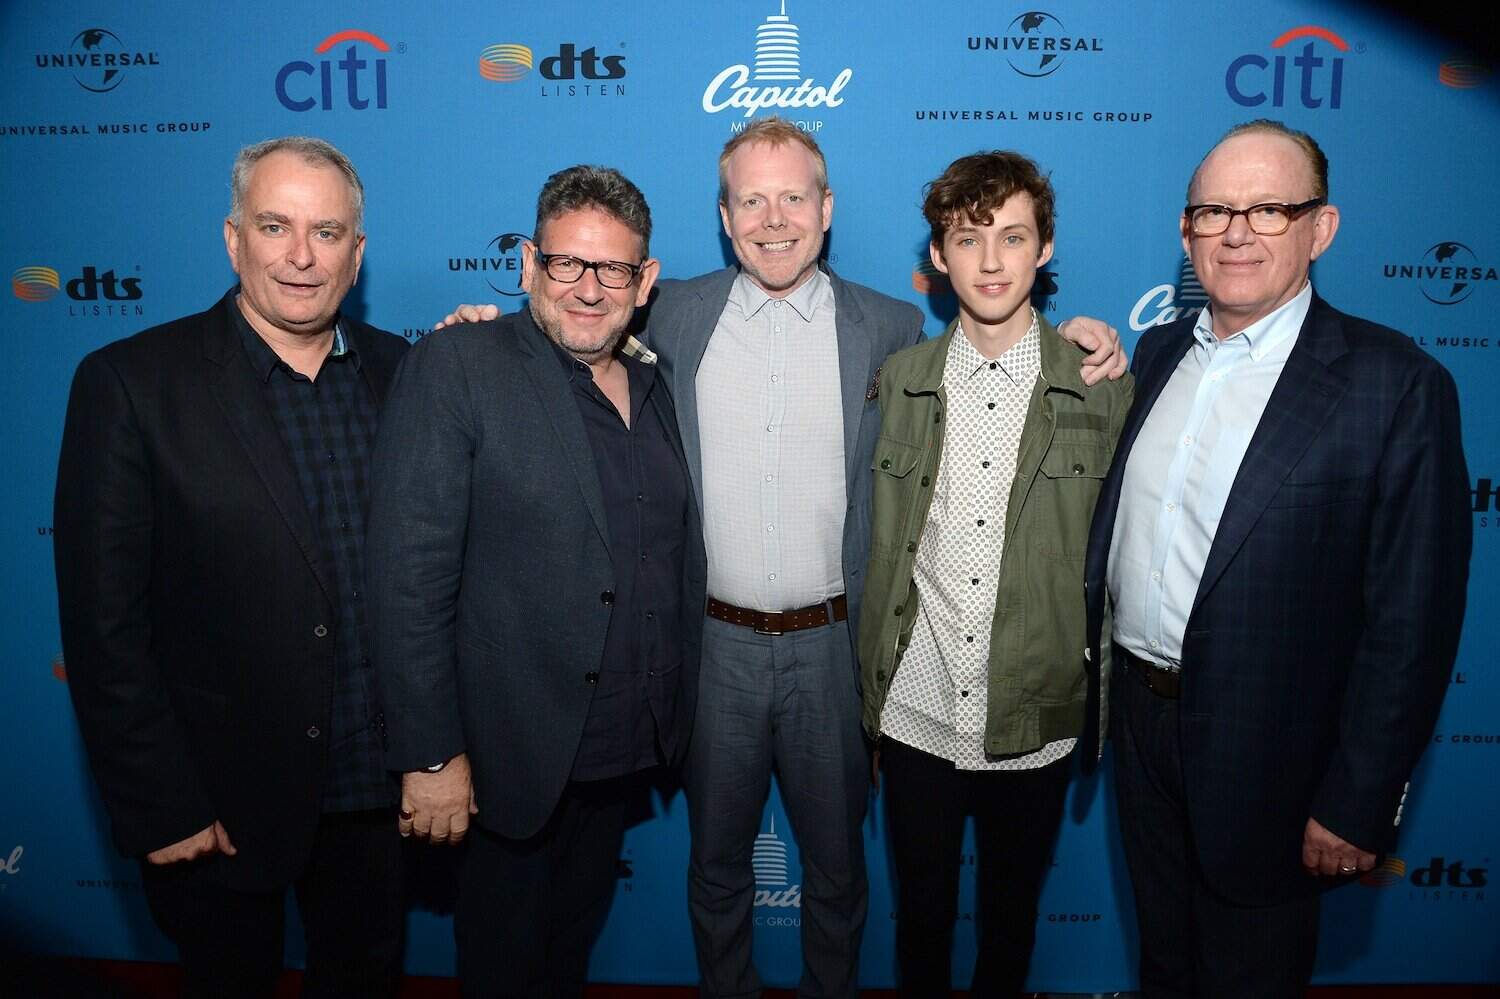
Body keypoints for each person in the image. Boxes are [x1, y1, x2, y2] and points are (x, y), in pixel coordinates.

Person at [438, 117, 1126, 997]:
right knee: (716, 864)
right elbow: (572, 328)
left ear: (826, 208)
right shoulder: (668, 313)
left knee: (839, 869)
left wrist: (1091, 342)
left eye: (793, 197)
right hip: (711, 647)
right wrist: (485, 331)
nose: (774, 219)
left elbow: (1001, 354)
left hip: (835, 648)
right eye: (751, 200)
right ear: (725, 217)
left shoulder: (891, 329)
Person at [1084, 119, 1471, 998]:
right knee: (1166, 962)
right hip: (1141, 725)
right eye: (1214, 211)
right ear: (1186, 231)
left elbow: (1412, 624)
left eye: (1268, 209)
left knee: (1250, 974)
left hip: (1275, 756)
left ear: (1320, 228)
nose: (1236, 232)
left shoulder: (1395, 384)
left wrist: (1358, 798)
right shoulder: (1158, 352)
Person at [53, 136, 408, 997]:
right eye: (275, 225)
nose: (300, 255)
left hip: (376, 798)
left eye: (327, 232)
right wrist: (159, 803)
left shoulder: (408, 374)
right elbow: (104, 628)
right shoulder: (131, 384)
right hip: (216, 803)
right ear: (232, 237)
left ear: (357, 252)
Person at [366, 165, 706, 998]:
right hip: (505, 760)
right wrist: (431, 755)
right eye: (566, 263)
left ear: (646, 281)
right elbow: (407, 576)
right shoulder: (460, 364)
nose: (589, 289)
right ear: (527, 264)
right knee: (504, 970)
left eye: (613, 269)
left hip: (618, 752)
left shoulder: (658, 384)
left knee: (564, 959)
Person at [859, 151, 1132, 997]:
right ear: (938, 256)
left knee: (1010, 928)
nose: (989, 261)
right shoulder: (901, 379)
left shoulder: (1099, 385)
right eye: (967, 238)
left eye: (1012, 237)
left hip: (1035, 712)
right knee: (923, 923)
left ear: (1043, 249)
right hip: (917, 709)